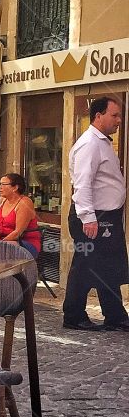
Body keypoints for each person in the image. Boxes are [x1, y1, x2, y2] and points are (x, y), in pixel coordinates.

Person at [62, 95, 129, 331]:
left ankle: (116, 316)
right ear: (98, 116)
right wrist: (88, 218)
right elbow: (82, 184)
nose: (119, 120)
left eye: (119, 115)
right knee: (84, 266)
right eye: (115, 115)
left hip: (106, 217)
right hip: (93, 218)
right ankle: (73, 316)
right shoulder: (89, 143)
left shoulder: (102, 142)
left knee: (109, 267)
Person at [0, 173, 42, 259]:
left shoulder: (24, 203)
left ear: (15, 188)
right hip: (5, 240)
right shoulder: (3, 200)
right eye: (0, 184)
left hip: (25, 242)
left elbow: (17, 233)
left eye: (3, 184)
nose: (0, 187)